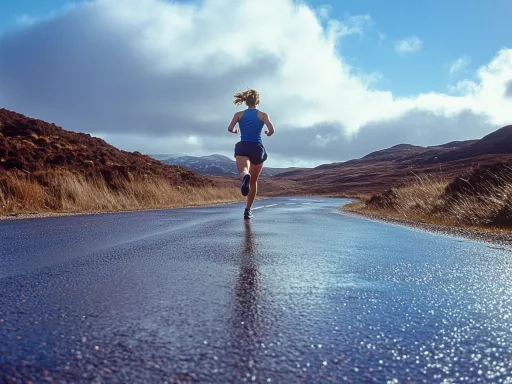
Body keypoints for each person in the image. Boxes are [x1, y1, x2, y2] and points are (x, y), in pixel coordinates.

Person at [227, 89, 275, 219]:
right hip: (257, 148)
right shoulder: (263, 115)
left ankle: (244, 176)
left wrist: (236, 130)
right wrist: (267, 133)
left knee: (243, 171)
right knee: (253, 182)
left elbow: (229, 128)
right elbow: (271, 130)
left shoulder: (239, 114)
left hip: (243, 146)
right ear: (258, 101)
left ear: (245, 101)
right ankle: (248, 210)